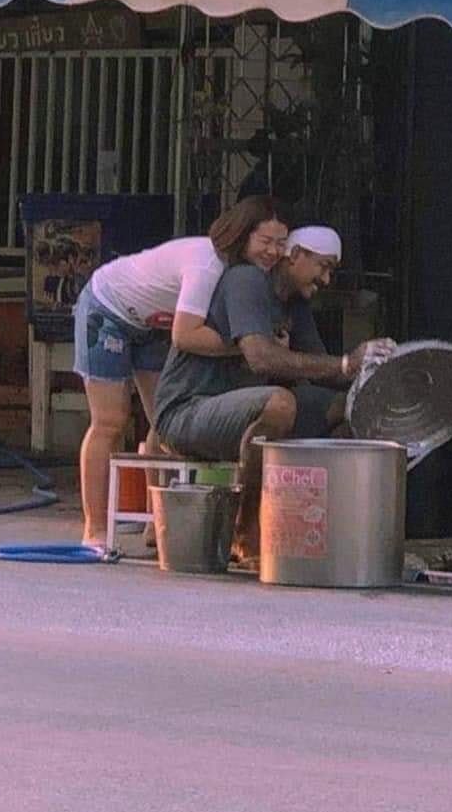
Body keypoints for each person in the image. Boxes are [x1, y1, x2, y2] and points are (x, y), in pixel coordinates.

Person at [154, 226, 396, 563]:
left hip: (240, 411)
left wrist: (378, 373)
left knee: (348, 409)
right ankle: (246, 530)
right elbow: (261, 356)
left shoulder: (294, 304)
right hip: (187, 411)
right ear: (295, 256)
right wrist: (345, 363)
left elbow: (324, 372)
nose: (326, 279)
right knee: (281, 403)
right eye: (323, 266)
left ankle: (332, 531)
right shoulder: (247, 280)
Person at [73, 195, 292, 547]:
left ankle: (157, 522)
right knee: (111, 421)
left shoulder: (242, 274)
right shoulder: (208, 265)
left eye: (281, 244)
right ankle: (94, 528)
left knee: (164, 421)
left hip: (152, 323)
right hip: (108, 309)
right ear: (241, 235)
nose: (273, 251)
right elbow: (187, 336)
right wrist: (249, 345)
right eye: (265, 241)